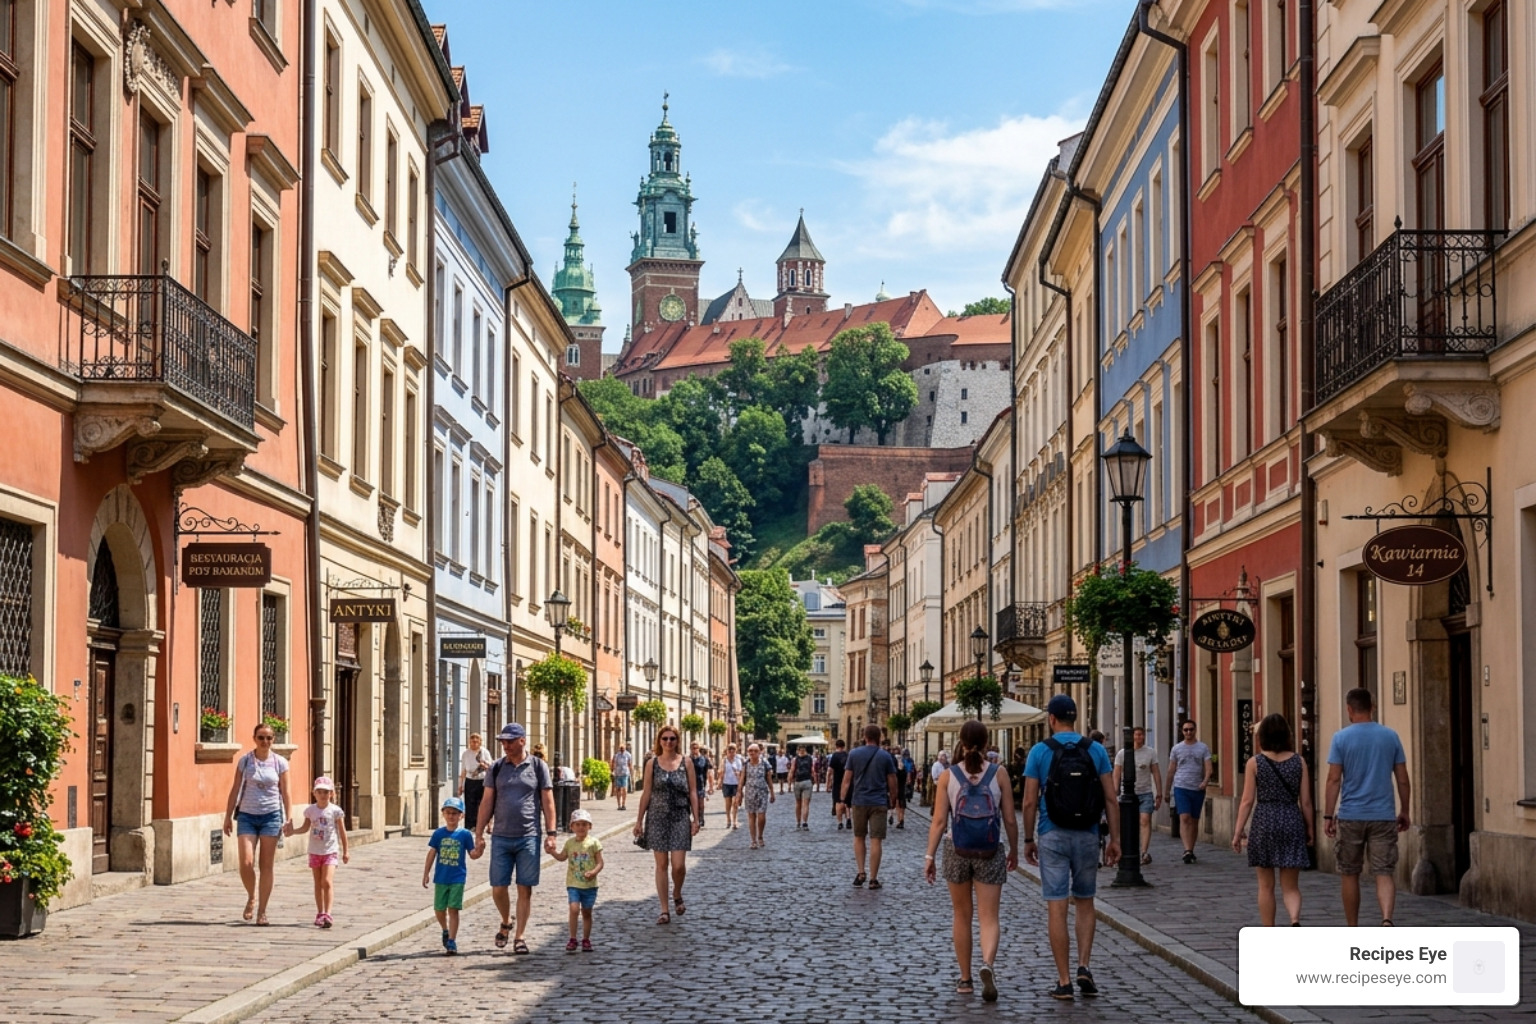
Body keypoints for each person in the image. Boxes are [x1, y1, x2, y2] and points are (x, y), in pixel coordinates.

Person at [1022, 694, 1121, 1001]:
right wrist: (1115, 838)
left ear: (1051, 719)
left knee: (1057, 905)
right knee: (1085, 901)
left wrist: (1027, 839)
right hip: (1088, 833)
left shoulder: (1039, 751)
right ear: (1074, 718)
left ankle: (1064, 980)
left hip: (1052, 833)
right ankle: (1084, 966)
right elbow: (1110, 797)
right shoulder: (1095, 750)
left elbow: (1027, 801)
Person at [925, 720, 1019, 1002]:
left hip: (957, 849)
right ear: (987, 741)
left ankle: (965, 979)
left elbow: (940, 821)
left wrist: (929, 856)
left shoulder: (948, 776)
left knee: (961, 915)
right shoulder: (999, 773)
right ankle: (987, 964)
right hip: (990, 849)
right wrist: (1015, 849)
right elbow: (1011, 819)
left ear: (960, 742)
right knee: (989, 916)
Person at [1324, 687, 1411, 927]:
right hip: (1383, 815)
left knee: (1350, 872)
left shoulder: (1340, 738)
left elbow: (1333, 779)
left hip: (1351, 814)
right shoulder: (1390, 736)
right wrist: (1405, 810)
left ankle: (1353, 926)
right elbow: (1402, 778)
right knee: (1384, 871)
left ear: (1349, 709)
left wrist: (1328, 815)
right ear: (1372, 707)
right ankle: (1386, 920)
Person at [470, 722, 557, 955]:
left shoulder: (538, 766)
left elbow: (548, 801)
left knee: (524, 888)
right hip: (501, 836)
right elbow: (486, 801)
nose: (505, 745)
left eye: (509, 741)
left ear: (522, 740)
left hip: (529, 835)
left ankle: (520, 936)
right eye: (502, 742)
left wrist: (551, 834)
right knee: (498, 887)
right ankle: (506, 920)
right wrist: (478, 834)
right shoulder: (497, 768)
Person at [1233, 714, 1314, 927]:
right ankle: (1295, 919)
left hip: (1265, 820)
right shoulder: (1299, 762)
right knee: (1291, 886)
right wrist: (1310, 828)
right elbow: (1305, 801)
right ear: (1286, 735)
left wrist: (1238, 830)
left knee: (1265, 885)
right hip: (1291, 818)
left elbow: (1247, 801)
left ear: (1263, 737)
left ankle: (1269, 929)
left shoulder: (1255, 763)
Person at [222, 722, 292, 926]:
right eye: (261, 737)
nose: (265, 741)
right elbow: (235, 788)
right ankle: (251, 896)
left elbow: (286, 791)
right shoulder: (245, 761)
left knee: (266, 865)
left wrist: (288, 818)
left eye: (269, 738)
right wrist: (227, 816)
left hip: (271, 815)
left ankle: (262, 911)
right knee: (245, 862)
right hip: (246, 815)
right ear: (254, 738)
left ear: (273, 740)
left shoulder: (280, 762)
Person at [633, 726, 698, 924]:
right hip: (657, 817)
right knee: (661, 865)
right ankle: (664, 909)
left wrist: (697, 818)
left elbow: (693, 792)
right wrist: (639, 820)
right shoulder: (652, 763)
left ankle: (677, 892)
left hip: (679, 816)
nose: (668, 742)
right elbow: (646, 793)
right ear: (659, 741)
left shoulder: (686, 762)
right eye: (665, 739)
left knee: (678, 866)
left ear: (677, 741)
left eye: (672, 739)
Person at [839, 724, 898, 889]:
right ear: (879, 737)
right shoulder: (885, 756)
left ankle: (860, 872)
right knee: (876, 840)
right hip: (878, 802)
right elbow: (892, 780)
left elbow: (847, 779)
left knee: (859, 837)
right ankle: (873, 878)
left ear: (864, 736)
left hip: (859, 801)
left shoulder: (854, 754)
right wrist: (893, 798)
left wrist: (843, 800)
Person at [285, 775, 348, 928]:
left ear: (331, 794)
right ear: (314, 793)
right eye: (319, 792)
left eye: (326, 792)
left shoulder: (335, 811)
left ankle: (328, 912)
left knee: (326, 881)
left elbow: (342, 831)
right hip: (314, 851)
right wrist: (293, 831)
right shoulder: (310, 811)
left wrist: (346, 850)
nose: (323, 795)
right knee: (317, 883)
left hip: (330, 851)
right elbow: (306, 827)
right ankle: (320, 912)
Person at [423, 796, 475, 954]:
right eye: (448, 813)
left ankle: (452, 941)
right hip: (441, 878)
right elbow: (432, 853)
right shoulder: (439, 834)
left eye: (455, 813)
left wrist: (480, 849)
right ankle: (445, 930)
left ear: (461, 815)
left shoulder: (465, 835)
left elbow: (472, 854)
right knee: (439, 909)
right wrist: (426, 873)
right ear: (443, 814)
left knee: (453, 909)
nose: (451, 816)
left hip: (457, 878)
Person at [552, 808, 604, 952]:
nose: (581, 827)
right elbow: (562, 857)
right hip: (573, 883)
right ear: (572, 827)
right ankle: (572, 938)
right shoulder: (570, 843)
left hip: (590, 885)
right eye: (578, 824)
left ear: (590, 826)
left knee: (587, 912)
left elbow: (600, 862)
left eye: (584, 824)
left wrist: (593, 872)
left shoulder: (594, 843)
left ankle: (586, 939)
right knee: (574, 909)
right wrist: (552, 852)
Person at [1112, 727, 1164, 866]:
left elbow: (1156, 773)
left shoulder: (1150, 752)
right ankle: (1125, 851)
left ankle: (1144, 852)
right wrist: (1115, 792)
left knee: (1145, 820)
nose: (1139, 737)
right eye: (1136, 735)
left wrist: (1159, 792)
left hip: (1145, 792)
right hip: (1127, 794)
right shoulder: (1122, 754)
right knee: (1127, 824)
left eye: (1141, 735)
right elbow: (1117, 774)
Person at [1165, 719, 1213, 864]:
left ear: (1195, 730)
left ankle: (1191, 849)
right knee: (1184, 818)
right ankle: (1186, 850)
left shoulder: (1203, 748)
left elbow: (1209, 768)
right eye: (1186, 730)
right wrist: (1167, 790)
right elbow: (1171, 770)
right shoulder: (1177, 749)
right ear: (1182, 731)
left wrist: (1205, 781)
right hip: (1181, 786)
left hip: (1197, 788)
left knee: (1194, 820)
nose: (1188, 732)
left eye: (1191, 729)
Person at [741, 742, 775, 848]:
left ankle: (760, 835)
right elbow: (742, 779)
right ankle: (753, 840)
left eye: (755, 751)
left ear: (759, 752)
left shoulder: (764, 763)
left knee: (761, 816)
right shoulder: (745, 764)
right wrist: (739, 793)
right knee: (751, 816)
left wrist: (772, 792)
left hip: (762, 793)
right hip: (750, 793)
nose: (752, 753)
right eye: (750, 751)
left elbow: (769, 778)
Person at [459, 733, 493, 833]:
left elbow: (490, 767)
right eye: (472, 741)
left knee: (483, 803)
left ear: (480, 742)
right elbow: (463, 770)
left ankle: (485, 824)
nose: (474, 743)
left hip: (482, 781)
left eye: (476, 741)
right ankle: (470, 826)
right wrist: (460, 786)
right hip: (470, 780)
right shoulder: (466, 753)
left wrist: (484, 764)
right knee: (469, 804)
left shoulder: (484, 752)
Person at [718, 744, 744, 829]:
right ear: (727, 751)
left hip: (736, 784)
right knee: (728, 803)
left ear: (735, 751)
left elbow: (741, 772)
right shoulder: (724, 760)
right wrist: (720, 782)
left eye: (733, 751)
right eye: (730, 751)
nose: (732, 753)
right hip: (726, 783)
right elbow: (721, 772)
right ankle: (728, 819)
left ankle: (735, 821)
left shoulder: (738, 760)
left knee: (735, 803)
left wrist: (739, 775)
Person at [790, 745, 815, 829]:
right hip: (807, 781)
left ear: (798, 750)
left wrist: (789, 783)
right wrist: (814, 780)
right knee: (806, 804)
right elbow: (812, 770)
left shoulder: (795, 759)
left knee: (798, 803)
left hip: (797, 782)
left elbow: (792, 770)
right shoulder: (810, 758)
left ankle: (798, 822)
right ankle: (805, 822)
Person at [690, 742, 713, 828]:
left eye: (696, 748)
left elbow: (706, 772)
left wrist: (708, 785)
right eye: (693, 748)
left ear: (698, 749)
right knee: (693, 803)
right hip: (691, 784)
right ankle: (696, 819)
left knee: (701, 804)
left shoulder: (704, 759)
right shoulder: (688, 760)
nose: (694, 750)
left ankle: (701, 818)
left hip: (700, 783)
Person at [829, 739, 850, 829]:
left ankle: (840, 822)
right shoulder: (848, 755)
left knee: (837, 802)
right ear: (844, 746)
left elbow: (830, 770)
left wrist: (828, 782)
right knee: (847, 802)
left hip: (837, 781)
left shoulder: (834, 756)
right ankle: (848, 818)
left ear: (836, 746)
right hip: (848, 781)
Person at [610, 743, 633, 811]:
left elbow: (630, 764)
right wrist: (612, 771)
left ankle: (623, 804)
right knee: (618, 789)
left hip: (625, 774)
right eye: (620, 748)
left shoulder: (628, 755)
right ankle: (619, 805)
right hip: (618, 774)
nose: (621, 749)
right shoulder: (616, 755)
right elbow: (613, 763)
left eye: (622, 748)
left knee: (624, 789)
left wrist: (631, 773)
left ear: (625, 748)